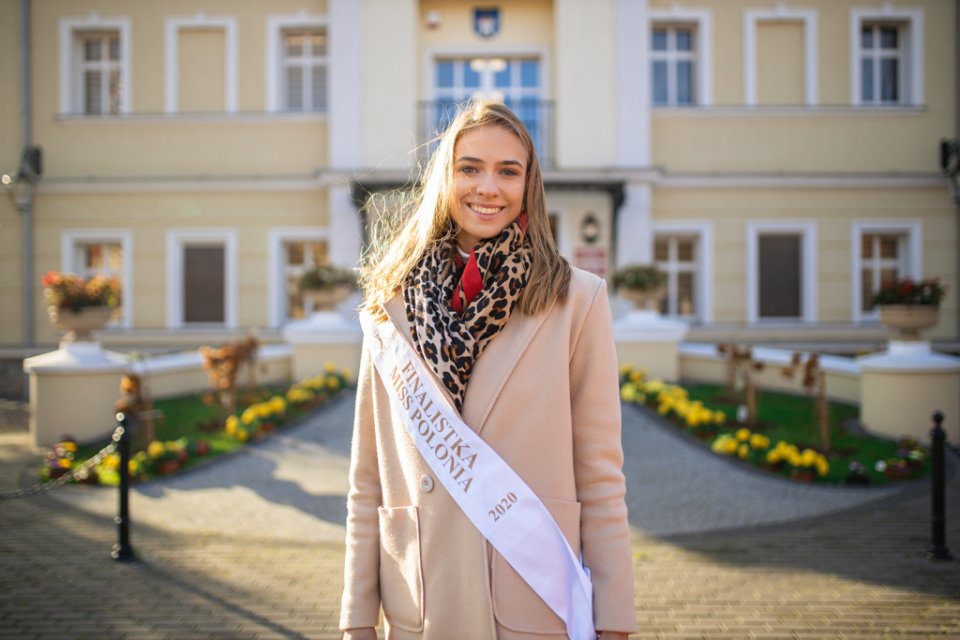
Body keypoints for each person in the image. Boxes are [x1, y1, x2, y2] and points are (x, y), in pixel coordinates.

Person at [340, 99, 636, 640]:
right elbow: (368, 483)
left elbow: (601, 477)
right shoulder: (390, 306)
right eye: (469, 168)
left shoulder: (578, 301)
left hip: (530, 601)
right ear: (444, 178)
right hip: (421, 604)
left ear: (529, 186)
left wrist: (614, 619)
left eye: (508, 171)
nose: (487, 187)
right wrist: (357, 620)